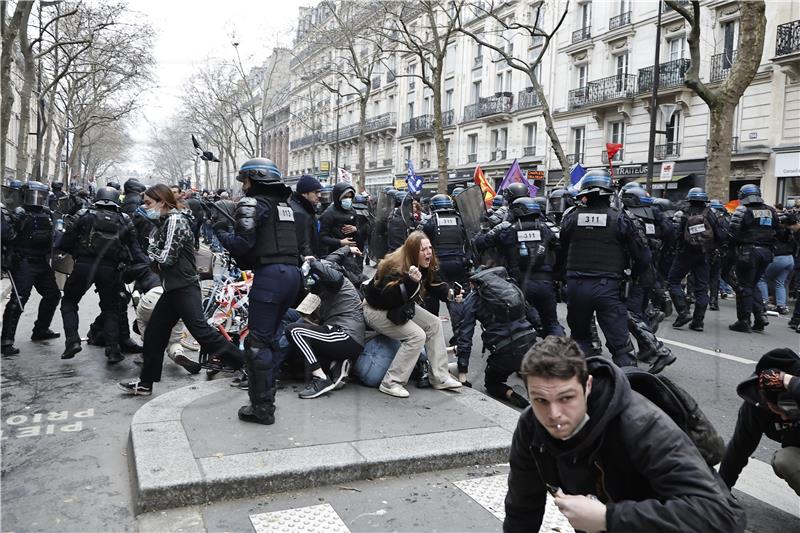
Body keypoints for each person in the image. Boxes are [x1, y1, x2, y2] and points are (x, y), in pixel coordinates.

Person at [504, 336, 747, 533]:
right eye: (540, 400)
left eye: (566, 398)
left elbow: (718, 516)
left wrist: (608, 518)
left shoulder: (641, 424)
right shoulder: (531, 425)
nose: (553, 414)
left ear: (587, 386)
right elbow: (522, 506)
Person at [119, 184, 241, 395]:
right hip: (173, 289)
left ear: (162, 202)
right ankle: (145, 383)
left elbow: (166, 259)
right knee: (155, 335)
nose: (145, 207)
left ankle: (248, 366)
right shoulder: (166, 221)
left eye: (148, 203)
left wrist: (150, 248)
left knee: (202, 333)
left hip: (183, 288)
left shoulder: (175, 221)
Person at [214, 157, 302, 424]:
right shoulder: (284, 207)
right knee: (271, 339)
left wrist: (220, 231)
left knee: (257, 343)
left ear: (253, 179)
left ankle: (262, 408)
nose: (244, 187)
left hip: (271, 277)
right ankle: (267, 397)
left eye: (245, 181)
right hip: (291, 275)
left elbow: (242, 246)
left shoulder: (253, 204)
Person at [558, 170, 650, 366]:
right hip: (609, 287)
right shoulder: (621, 218)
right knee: (621, 346)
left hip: (576, 286)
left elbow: (561, 253)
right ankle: (628, 389)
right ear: (609, 193)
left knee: (581, 340)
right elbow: (642, 256)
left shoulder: (570, 218)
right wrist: (633, 277)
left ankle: (590, 383)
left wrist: (562, 279)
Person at [363, 231, 462, 398]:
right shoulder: (394, 266)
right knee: (417, 336)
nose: (428, 252)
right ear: (412, 251)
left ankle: (440, 377)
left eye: (430, 247)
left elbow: (434, 283)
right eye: (423, 249)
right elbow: (389, 299)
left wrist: (450, 294)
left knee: (434, 323)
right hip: (376, 310)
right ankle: (391, 382)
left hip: (400, 306)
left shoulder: (425, 263)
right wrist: (410, 282)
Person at [58, 186, 145, 363]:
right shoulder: (124, 219)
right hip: (110, 269)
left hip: (83, 266)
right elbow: (134, 249)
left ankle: (72, 341)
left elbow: (65, 242)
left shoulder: (83, 215)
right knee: (111, 308)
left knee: (69, 302)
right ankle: (113, 350)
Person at [475, 197, 565, 337]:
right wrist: (556, 273)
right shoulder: (545, 229)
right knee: (552, 323)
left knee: (519, 325)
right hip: (546, 283)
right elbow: (560, 249)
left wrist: (484, 231)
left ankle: (529, 351)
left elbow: (481, 243)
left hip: (520, 285)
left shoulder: (509, 231)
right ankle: (562, 354)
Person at [719, 348, 800, 496]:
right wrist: (721, 491)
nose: (784, 418)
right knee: (785, 460)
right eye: (779, 411)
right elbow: (739, 448)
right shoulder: (758, 405)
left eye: (790, 413)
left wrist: (786, 380)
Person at [453, 267, 533, 408]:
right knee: (527, 364)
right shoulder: (510, 287)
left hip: (504, 351)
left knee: (492, 383)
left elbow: (465, 335)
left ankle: (510, 393)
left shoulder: (474, 298)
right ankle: (531, 384)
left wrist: (463, 372)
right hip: (529, 342)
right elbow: (533, 315)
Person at [286, 257, 365, 399]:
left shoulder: (338, 281)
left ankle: (321, 378)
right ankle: (334, 364)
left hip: (346, 335)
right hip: (339, 335)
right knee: (296, 354)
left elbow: (332, 275)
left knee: (294, 331)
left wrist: (314, 263)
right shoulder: (326, 292)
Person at [1, 181, 62, 355]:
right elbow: (6, 236)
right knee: (18, 300)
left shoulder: (47, 214)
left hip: (41, 262)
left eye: (41, 196)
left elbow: (54, 235)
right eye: (35, 195)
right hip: (23, 262)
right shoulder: (18, 213)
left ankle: (41, 330)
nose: (38, 199)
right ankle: (6, 341)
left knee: (53, 295)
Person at [668, 187, 723, 331]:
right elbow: (721, 235)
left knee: (673, 281)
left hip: (684, 254)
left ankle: (683, 312)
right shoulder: (711, 214)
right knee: (701, 288)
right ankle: (698, 322)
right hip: (704, 255)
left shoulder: (683, 214)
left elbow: (675, 234)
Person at [728, 184, 778, 332]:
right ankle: (760, 317)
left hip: (748, 252)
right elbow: (778, 230)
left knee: (744, 286)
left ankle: (744, 321)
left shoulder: (743, 210)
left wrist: (731, 249)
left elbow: (732, 233)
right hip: (766, 252)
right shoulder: (771, 210)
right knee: (753, 284)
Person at [318, 181, 359, 256]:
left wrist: (355, 229)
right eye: (345, 197)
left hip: (351, 252)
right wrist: (340, 242)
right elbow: (322, 237)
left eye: (350, 197)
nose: (348, 199)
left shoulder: (352, 211)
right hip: (333, 254)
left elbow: (358, 229)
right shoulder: (328, 213)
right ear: (338, 197)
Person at [288, 174, 322, 258]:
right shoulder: (299, 213)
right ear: (304, 194)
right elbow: (303, 244)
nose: (319, 195)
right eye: (315, 192)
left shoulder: (306, 208)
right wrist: (314, 261)